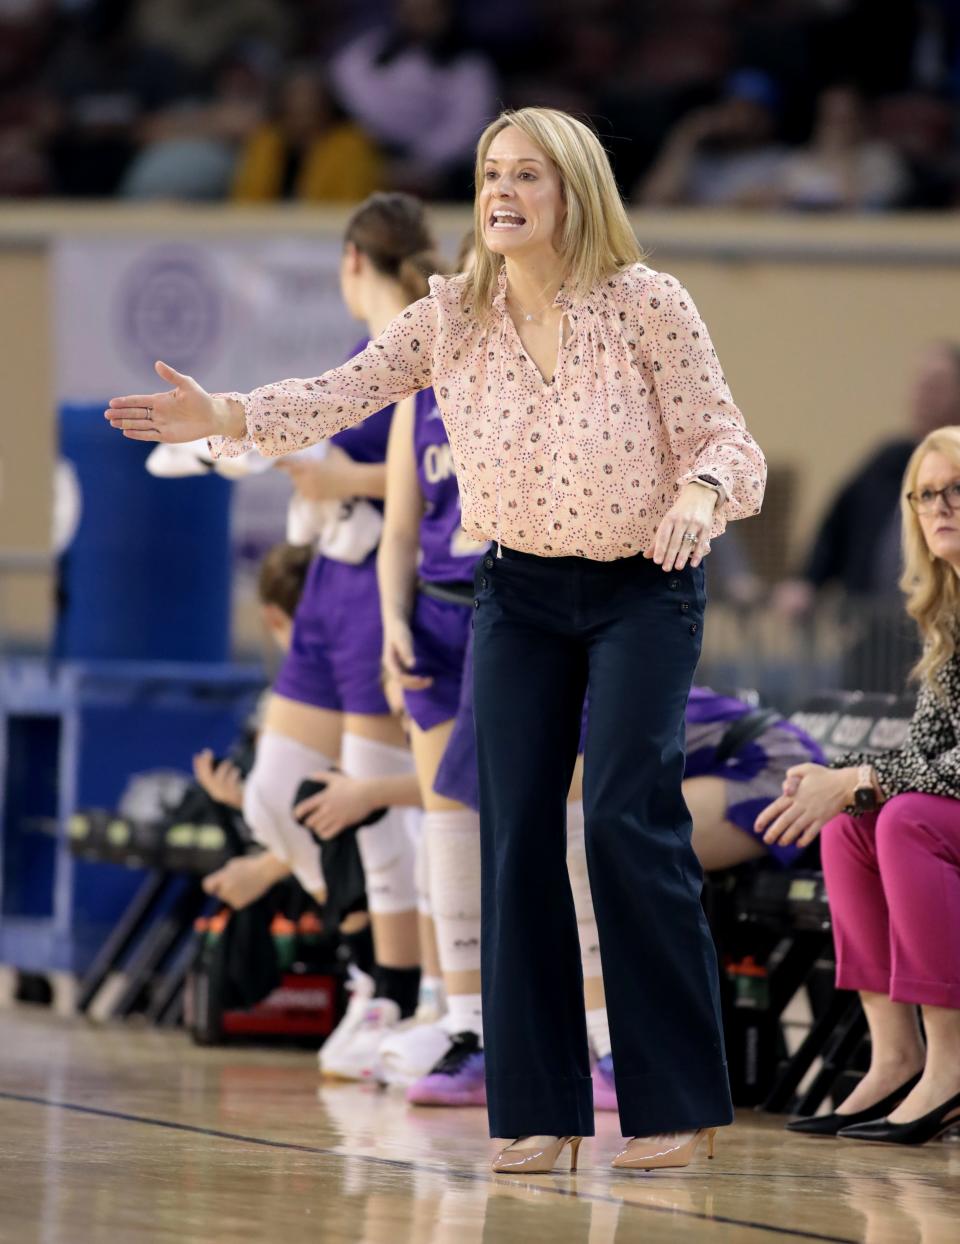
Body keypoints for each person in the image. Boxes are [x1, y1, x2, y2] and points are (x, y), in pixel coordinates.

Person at [105, 106, 766, 1174]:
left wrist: (699, 491)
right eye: (491, 172)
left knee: (619, 821)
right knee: (510, 834)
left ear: (576, 193)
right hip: (516, 595)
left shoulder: (649, 303)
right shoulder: (451, 312)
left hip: (646, 589)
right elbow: (339, 392)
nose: (502, 191)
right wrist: (225, 413)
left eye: (528, 175)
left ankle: (671, 1099)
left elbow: (727, 438)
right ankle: (538, 1107)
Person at [756, 425, 960, 1146]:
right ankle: (894, 1053)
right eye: (926, 495)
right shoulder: (947, 610)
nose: (941, 508)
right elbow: (934, 751)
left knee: (903, 819)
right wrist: (845, 785)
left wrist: (860, 777)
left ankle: (950, 1064)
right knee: (851, 827)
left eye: (956, 490)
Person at [638, 69, 787, 209]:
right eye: (734, 107)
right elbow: (651, 202)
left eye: (751, 111)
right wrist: (687, 135)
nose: (740, 118)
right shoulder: (700, 161)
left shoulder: (781, 162)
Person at [231, 67, 382, 204]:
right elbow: (245, 199)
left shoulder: (351, 145)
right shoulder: (266, 141)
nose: (303, 109)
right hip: (265, 229)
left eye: (311, 105)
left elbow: (352, 203)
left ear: (326, 106)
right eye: (295, 105)